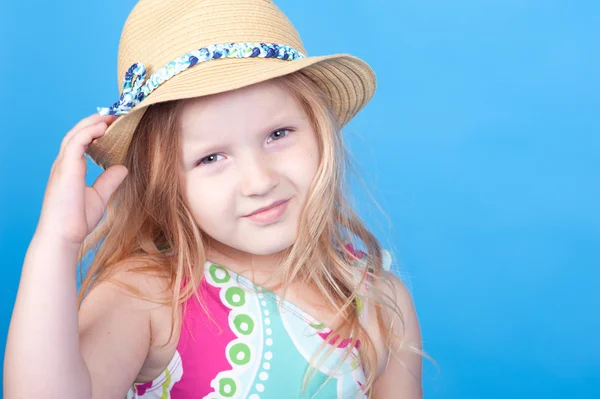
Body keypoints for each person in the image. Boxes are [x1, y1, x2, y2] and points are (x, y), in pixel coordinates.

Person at [4, 0, 424, 398]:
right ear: (164, 181)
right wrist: (56, 244)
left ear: (320, 130)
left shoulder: (379, 301)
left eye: (278, 134)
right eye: (211, 157)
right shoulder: (149, 297)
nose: (258, 181)